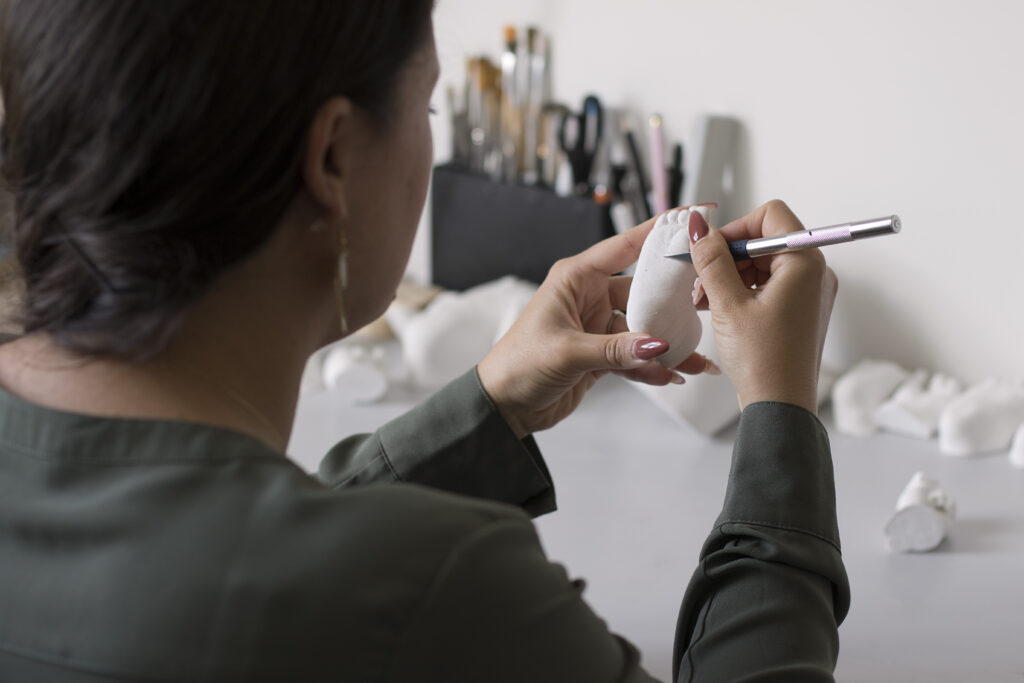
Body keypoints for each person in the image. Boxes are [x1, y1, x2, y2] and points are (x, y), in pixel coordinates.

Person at [0, 1, 848, 681]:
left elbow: (229, 549)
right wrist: (779, 412)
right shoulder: (445, 594)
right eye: (430, 105)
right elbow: (339, 585)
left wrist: (485, 408)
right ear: (331, 158)